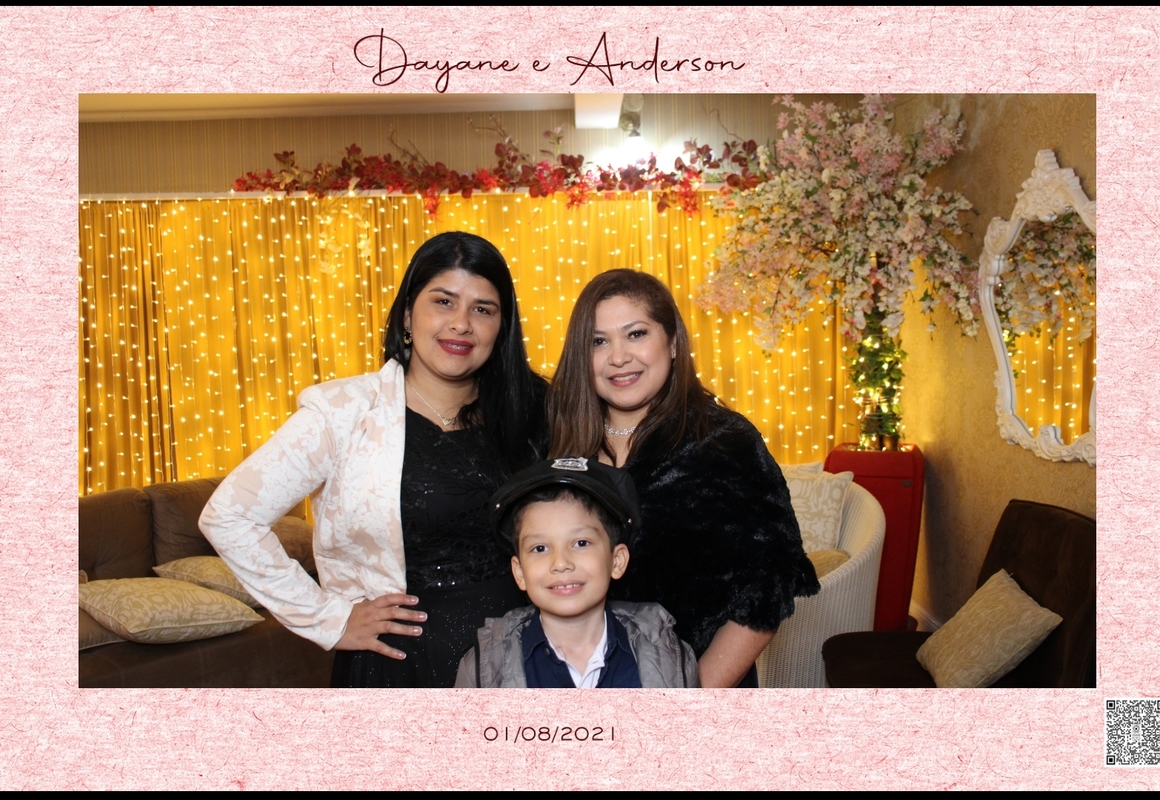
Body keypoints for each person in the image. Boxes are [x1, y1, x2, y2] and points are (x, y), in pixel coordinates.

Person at [200, 231, 547, 688]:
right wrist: (329, 618)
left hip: (526, 655)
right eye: (443, 302)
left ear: (502, 327)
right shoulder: (342, 413)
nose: (461, 323)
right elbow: (229, 516)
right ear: (407, 314)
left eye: (482, 309)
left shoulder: (534, 410)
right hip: (402, 662)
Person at [545, 269, 820, 688]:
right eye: (598, 342)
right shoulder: (560, 442)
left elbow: (767, 590)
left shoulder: (724, 440)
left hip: (694, 688)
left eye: (636, 334)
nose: (618, 357)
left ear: (672, 342)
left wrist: (691, 698)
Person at [455, 457, 699, 688]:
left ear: (616, 561)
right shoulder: (484, 668)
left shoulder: (669, 657)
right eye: (540, 548)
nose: (561, 563)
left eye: (581, 543)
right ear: (519, 572)